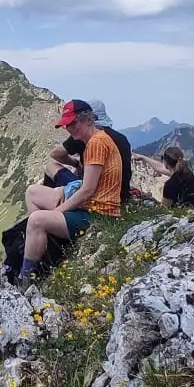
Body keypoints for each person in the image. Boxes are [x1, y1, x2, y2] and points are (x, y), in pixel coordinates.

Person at [19, 100, 124, 280]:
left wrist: (59, 209)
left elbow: (87, 190)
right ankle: (41, 244)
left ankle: (27, 277)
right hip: (92, 206)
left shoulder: (96, 144)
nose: (69, 128)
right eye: (67, 125)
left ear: (89, 120)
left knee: (36, 220)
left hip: (98, 214)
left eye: (74, 123)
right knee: (33, 191)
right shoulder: (97, 139)